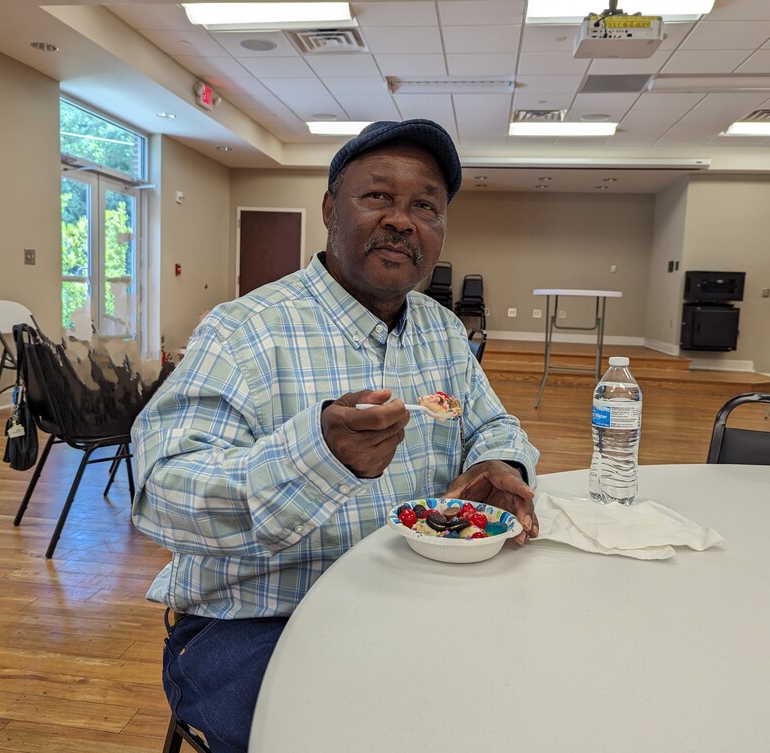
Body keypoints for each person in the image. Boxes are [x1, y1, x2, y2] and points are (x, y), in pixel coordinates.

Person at [131, 119, 540, 752]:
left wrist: (500, 460)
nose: (403, 220)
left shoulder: (441, 329)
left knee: (518, 706)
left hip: (422, 594)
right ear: (329, 209)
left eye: (425, 206)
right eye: (378, 196)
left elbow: (490, 421)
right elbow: (163, 496)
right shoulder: (244, 332)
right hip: (262, 622)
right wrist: (316, 459)